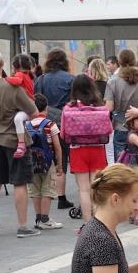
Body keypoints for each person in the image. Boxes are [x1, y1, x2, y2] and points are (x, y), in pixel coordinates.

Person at [0, 49, 40, 239]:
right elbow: (34, 112)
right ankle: (22, 226)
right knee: (20, 182)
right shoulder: (12, 87)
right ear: (2, 65)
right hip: (14, 140)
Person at [63, 74, 109, 227]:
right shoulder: (100, 106)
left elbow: (64, 133)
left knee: (83, 189)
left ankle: (88, 223)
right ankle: (99, 221)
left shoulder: (69, 108)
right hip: (97, 149)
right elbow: (108, 129)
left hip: (78, 149)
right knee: (96, 187)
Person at [35, 48, 75, 210]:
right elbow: (74, 102)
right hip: (65, 122)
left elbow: (36, 101)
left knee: (49, 159)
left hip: (44, 123)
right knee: (63, 158)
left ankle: (46, 194)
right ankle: (62, 197)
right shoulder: (70, 79)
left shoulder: (41, 79)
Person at [105, 49, 138, 162]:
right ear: (134, 61)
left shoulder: (113, 82)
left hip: (121, 127)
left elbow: (109, 108)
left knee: (122, 166)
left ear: (119, 62)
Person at [27, 93, 64, 230]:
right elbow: (57, 147)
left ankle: (38, 218)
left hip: (31, 162)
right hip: (47, 162)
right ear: (46, 108)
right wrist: (59, 165)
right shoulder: (50, 125)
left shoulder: (27, 124)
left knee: (35, 190)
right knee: (47, 190)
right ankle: (45, 218)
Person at [5, 54, 35, 159]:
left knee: (18, 119)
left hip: (27, 107)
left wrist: (5, 79)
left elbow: (16, 81)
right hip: (28, 106)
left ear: (15, 65)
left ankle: (21, 144)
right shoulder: (28, 75)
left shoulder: (20, 74)